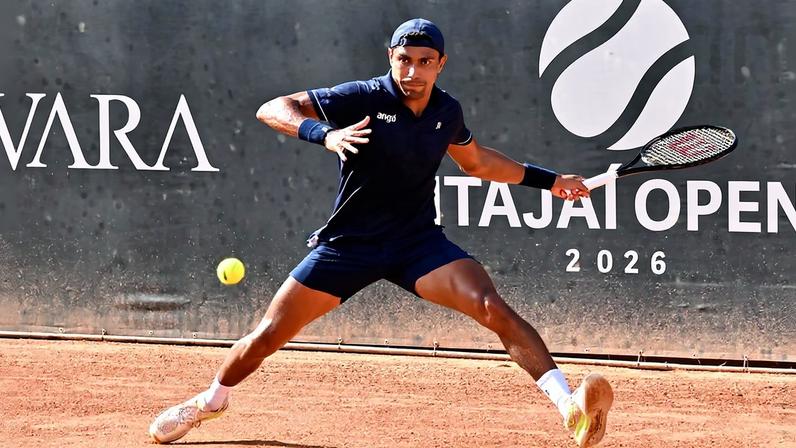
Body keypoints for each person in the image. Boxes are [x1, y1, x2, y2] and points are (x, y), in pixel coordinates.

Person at [149, 18, 613, 447]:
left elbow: (478, 163)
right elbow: (274, 109)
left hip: (416, 244)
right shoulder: (363, 96)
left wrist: (550, 181)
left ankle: (569, 406)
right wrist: (324, 134)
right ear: (390, 57)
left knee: (492, 307)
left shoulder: (446, 111)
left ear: (440, 64)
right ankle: (209, 403)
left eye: (424, 62)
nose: (413, 70)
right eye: (404, 60)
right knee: (268, 335)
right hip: (349, 246)